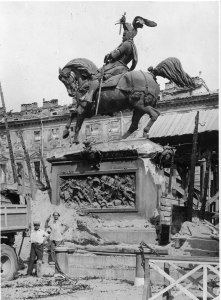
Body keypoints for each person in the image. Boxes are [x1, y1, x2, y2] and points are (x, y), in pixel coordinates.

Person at [83, 15, 157, 104]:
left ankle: (88, 97)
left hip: (116, 66)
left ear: (129, 35)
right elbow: (133, 63)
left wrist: (108, 55)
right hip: (124, 68)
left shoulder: (126, 44)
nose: (123, 36)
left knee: (96, 77)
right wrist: (124, 23)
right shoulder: (132, 46)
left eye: (124, 35)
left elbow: (115, 55)